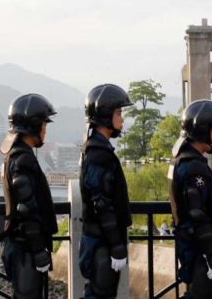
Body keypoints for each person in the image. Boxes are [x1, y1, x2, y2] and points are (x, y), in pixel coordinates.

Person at [0, 94, 58, 298]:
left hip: (20, 246)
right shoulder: (23, 159)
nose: (45, 130)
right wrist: (39, 250)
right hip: (25, 249)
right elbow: (26, 208)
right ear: (33, 124)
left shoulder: (14, 155)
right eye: (43, 124)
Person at [168, 99, 212, 299]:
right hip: (199, 251)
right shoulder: (193, 166)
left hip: (193, 248)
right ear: (202, 132)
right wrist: (211, 256)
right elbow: (197, 214)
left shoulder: (185, 161)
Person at [79, 84, 133, 298]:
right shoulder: (99, 154)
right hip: (101, 242)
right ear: (104, 116)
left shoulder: (97, 149)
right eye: (118, 113)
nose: (121, 119)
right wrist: (115, 244)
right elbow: (101, 203)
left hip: (101, 240)